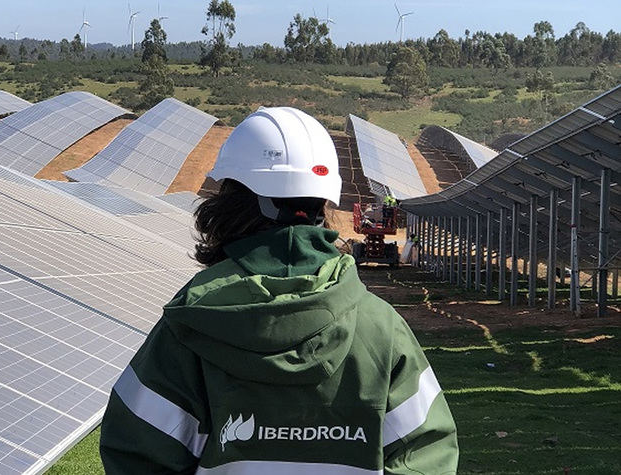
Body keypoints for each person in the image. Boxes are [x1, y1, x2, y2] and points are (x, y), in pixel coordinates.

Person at [99, 107, 458, 474]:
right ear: (324, 203)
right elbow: (426, 454)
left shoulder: (192, 324)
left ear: (230, 202)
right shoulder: (382, 329)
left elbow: (136, 451)